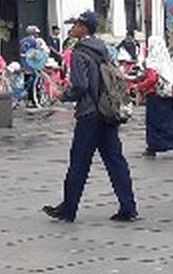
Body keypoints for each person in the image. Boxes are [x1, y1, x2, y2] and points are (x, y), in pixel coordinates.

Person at [44, 11, 138, 223]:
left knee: (79, 162)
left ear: (84, 28)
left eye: (76, 24)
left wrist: (63, 95)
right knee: (115, 160)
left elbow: (80, 85)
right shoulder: (102, 48)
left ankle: (68, 209)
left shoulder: (79, 52)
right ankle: (128, 206)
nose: (72, 28)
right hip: (107, 112)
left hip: (89, 113)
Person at [142, 35, 173, 157]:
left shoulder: (152, 62)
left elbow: (152, 78)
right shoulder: (166, 61)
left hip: (154, 96)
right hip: (166, 96)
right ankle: (170, 144)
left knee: (154, 122)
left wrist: (140, 87)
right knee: (167, 120)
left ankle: (158, 145)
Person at [20, 25, 50, 106]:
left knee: (26, 82)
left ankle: (28, 100)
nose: (37, 34)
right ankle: (35, 100)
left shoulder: (22, 41)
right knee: (35, 83)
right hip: (33, 64)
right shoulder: (36, 42)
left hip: (25, 64)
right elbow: (39, 52)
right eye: (36, 33)